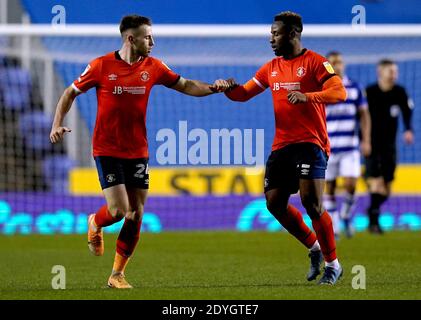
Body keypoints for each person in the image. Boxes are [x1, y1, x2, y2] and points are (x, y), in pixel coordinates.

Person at [49, 15, 231, 289]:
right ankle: (95, 222)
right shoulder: (100, 66)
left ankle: (117, 275)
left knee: (136, 212)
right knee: (119, 210)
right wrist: (57, 123)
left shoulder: (154, 66)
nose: (153, 42)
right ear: (131, 39)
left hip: (138, 150)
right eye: (148, 37)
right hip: (107, 148)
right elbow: (69, 93)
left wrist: (214, 89)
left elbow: (185, 85)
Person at [224, 11, 347, 285]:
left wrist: (308, 96)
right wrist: (228, 88)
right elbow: (243, 94)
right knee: (274, 202)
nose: (271, 39)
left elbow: (339, 92)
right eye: (271, 33)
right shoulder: (271, 68)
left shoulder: (316, 62)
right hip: (282, 145)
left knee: (311, 204)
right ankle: (314, 248)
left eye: (276, 33)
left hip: (311, 143)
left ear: (292, 34)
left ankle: (333, 265)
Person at [323, 51, 371, 238]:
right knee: (330, 188)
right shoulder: (324, 89)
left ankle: (345, 214)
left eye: (340, 61)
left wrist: (366, 139)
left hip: (350, 147)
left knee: (351, 184)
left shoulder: (355, 88)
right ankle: (334, 225)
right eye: (333, 62)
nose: (338, 65)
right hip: (328, 148)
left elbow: (364, 115)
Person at [365, 59, 414, 234]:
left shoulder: (400, 92)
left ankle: (372, 209)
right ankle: (374, 221)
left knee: (387, 188)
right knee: (376, 182)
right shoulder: (370, 92)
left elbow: (407, 111)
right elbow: (361, 117)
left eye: (395, 71)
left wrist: (408, 129)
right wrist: (363, 140)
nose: (394, 74)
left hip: (389, 146)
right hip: (372, 144)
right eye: (391, 71)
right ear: (381, 72)